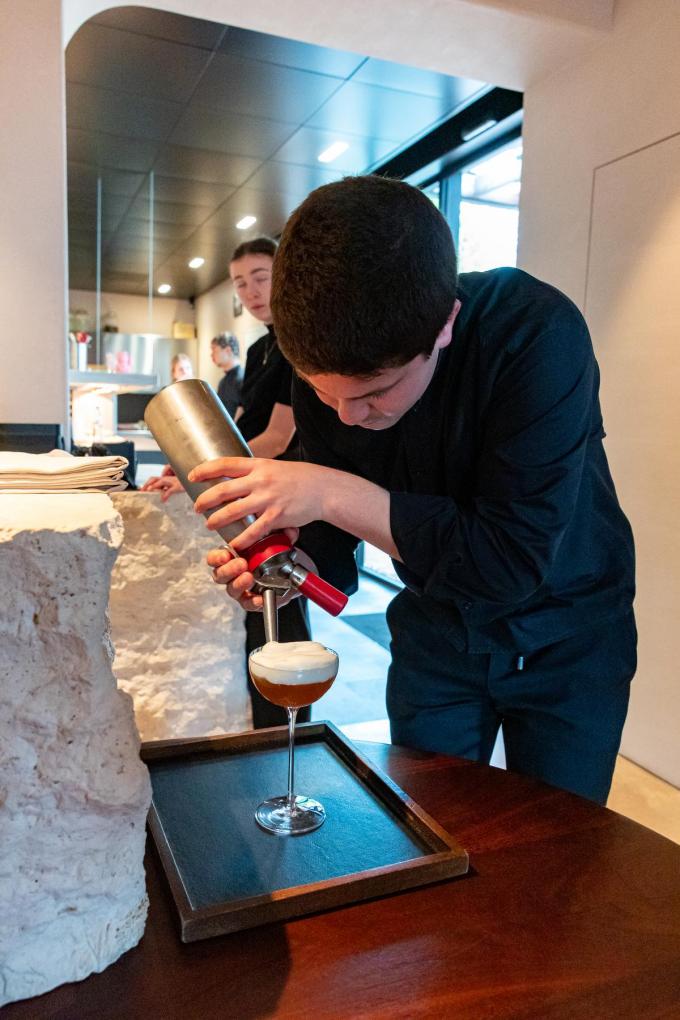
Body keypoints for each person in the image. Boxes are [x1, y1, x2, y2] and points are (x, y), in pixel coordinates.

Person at [189, 175, 637, 805]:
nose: (347, 416)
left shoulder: (535, 333)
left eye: (375, 392)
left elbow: (509, 561)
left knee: (557, 840)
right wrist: (295, 566)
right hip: (435, 632)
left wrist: (329, 491)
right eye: (321, 391)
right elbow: (333, 547)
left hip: (567, 637)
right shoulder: (325, 368)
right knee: (429, 825)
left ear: (446, 325)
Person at [144, 236, 311, 728]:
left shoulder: (300, 344)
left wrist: (204, 473)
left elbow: (278, 438)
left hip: (282, 500)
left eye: (261, 277)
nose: (251, 291)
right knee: (256, 614)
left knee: (283, 617)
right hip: (248, 495)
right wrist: (191, 466)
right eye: (241, 283)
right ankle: (268, 729)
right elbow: (237, 432)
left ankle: (287, 731)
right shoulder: (260, 349)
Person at [210, 332, 243, 418]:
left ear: (228, 350)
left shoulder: (242, 379)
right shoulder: (222, 382)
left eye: (214, 350)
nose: (211, 355)